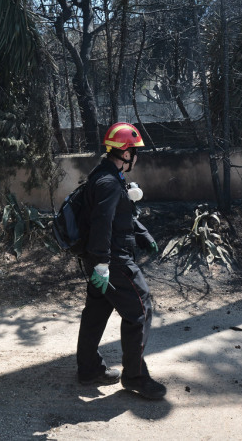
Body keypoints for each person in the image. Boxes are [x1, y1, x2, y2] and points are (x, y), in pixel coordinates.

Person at [76, 122, 167, 400]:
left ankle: (89, 370)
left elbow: (119, 214)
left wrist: (143, 234)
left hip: (100, 259)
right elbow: (103, 222)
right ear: (125, 153)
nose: (137, 156)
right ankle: (135, 376)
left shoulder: (104, 176)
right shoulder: (108, 183)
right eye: (135, 151)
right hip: (113, 261)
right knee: (140, 310)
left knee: (96, 311)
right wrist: (103, 263)